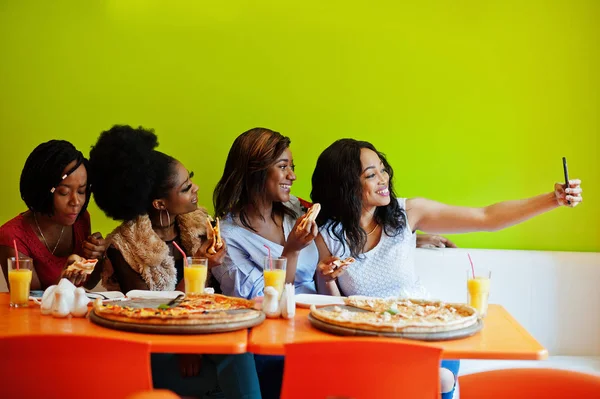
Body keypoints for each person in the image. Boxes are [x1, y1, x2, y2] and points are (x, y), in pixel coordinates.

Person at [311, 138, 582, 399]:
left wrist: (552, 199)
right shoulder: (327, 235)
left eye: (383, 169)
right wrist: (327, 277)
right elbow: (334, 309)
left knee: (437, 378)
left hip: (427, 334)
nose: (384, 179)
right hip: (368, 342)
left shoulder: (407, 213)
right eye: (371, 175)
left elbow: (487, 217)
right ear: (345, 184)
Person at [89, 125, 261, 399]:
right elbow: (151, 316)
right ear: (160, 204)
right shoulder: (123, 247)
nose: (196, 189)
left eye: (190, 180)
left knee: (241, 356)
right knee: (238, 376)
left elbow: (217, 298)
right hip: (157, 350)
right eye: (185, 188)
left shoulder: (202, 227)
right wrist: (200, 265)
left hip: (205, 337)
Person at [212, 127, 322, 299]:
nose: (292, 176)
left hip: (318, 313)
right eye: (283, 166)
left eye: (291, 167)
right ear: (255, 172)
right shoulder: (226, 238)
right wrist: (291, 251)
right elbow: (263, 300)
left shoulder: (295, 209)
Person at [0, 140, 107, 291]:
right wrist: (62, 282)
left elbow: (88, 283)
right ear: (43, 191)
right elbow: (29, 305)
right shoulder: (13, 236)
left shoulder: (80, 220)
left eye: (81, 191)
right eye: (64, 192)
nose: (75, 201)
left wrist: (99, 258)